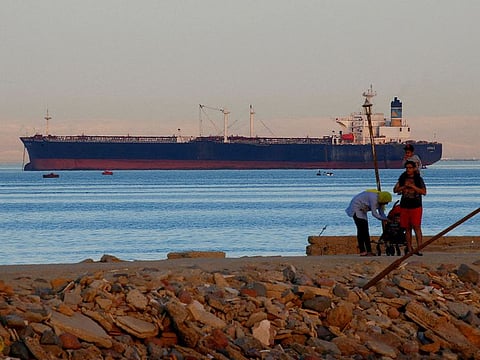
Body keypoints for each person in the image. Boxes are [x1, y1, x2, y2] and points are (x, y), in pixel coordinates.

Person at [393, 160, 427, 255]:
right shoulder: (402, 178)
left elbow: (424, 192)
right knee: (407, 228)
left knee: (416, 227)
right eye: (407, 168)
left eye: (410, 168)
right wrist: (404, 187)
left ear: (414, 168)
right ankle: (409, 248)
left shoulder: (418, 179)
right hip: (405, 206)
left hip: (416, 206)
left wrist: (413, 186)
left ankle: (419, 248)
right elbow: (395, 190)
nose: (408, 170)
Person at [346, 190, 392, 256]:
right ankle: (363, 251)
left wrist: (386, 219)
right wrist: (385, 219)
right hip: (356, 208)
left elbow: (381, 213)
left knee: (366, 231)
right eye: (386, 202)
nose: (387, 204)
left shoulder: (380, 201)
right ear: (383, 199)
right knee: (361, 230)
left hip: (363, 210)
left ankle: (369, 251)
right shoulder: (374, 199)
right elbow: (374, 213)